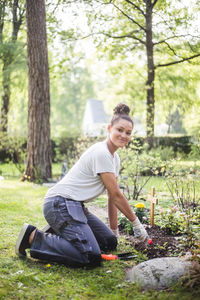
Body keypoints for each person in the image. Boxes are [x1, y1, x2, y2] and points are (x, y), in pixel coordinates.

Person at [15, 103, 149, 268]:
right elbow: (116, 195)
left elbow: (111, 197)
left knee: (108, 243)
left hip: (74, 206)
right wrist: (136, 223)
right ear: (109, 128)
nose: (124, 135)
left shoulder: (115, 158)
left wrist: (114, 233)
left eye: (128, 132)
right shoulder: (101, 152)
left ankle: (62, 229)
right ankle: (33, 236)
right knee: (90, 256)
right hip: (60, 204)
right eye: (119, 130)